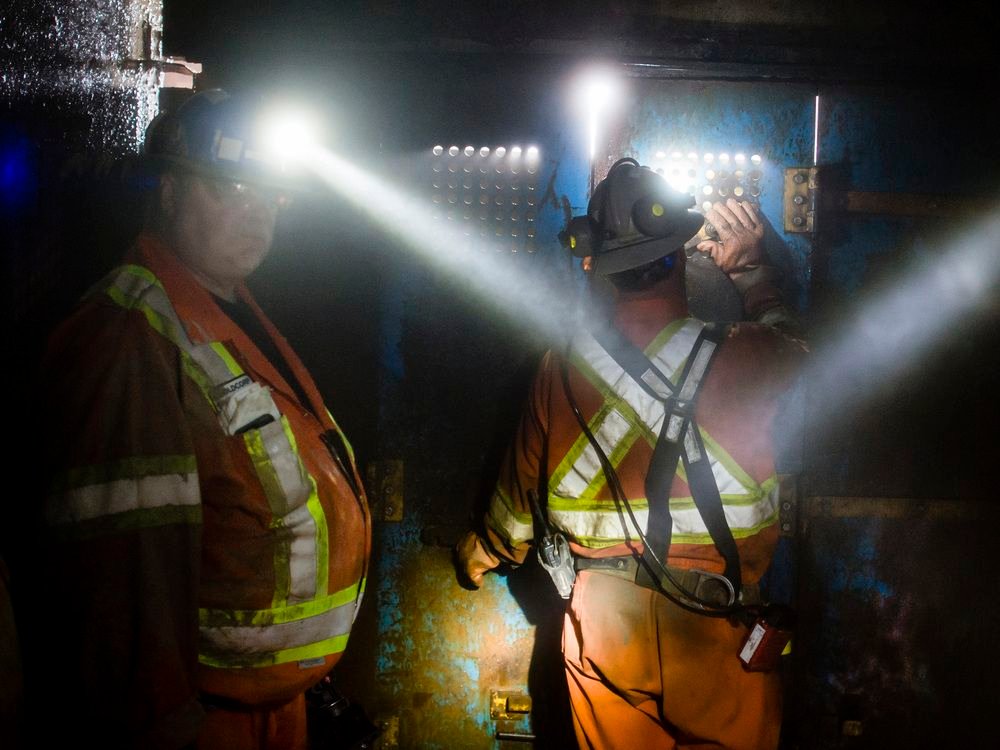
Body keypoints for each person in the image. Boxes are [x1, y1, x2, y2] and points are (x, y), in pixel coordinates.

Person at [29, 89, 371, 749]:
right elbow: (119, 591)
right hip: (196, 722)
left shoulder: (227, 311)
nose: (257, 211)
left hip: (272, 708)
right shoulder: (127, 337)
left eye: (270, 192)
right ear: (169, 191)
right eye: (230, 186)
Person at [456, 158, 806, 750]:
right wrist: (751, 274)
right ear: (681, 251)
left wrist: (482, 553)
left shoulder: (560, 367)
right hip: (717, 630)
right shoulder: (753, 355)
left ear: (596, 264)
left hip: (604, 627)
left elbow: (518, 503)